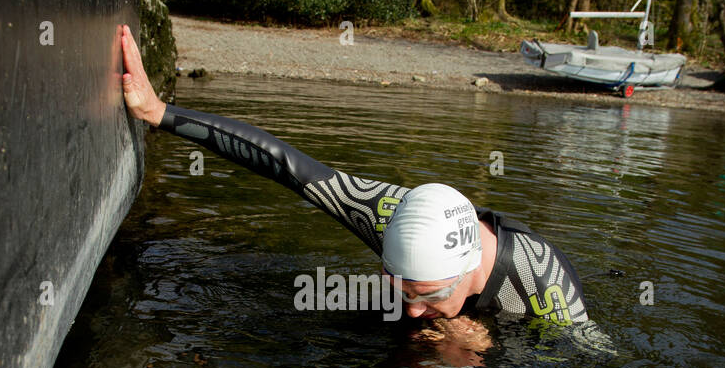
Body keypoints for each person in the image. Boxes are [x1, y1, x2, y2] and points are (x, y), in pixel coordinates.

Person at [120, 25, 591, 339]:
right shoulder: (390, 215)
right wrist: (157, 112)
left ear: (467, 269)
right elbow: (284, 165)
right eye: (400, 288)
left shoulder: (544, 287)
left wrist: (488, 357)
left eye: (425, 295)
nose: (409, 308)